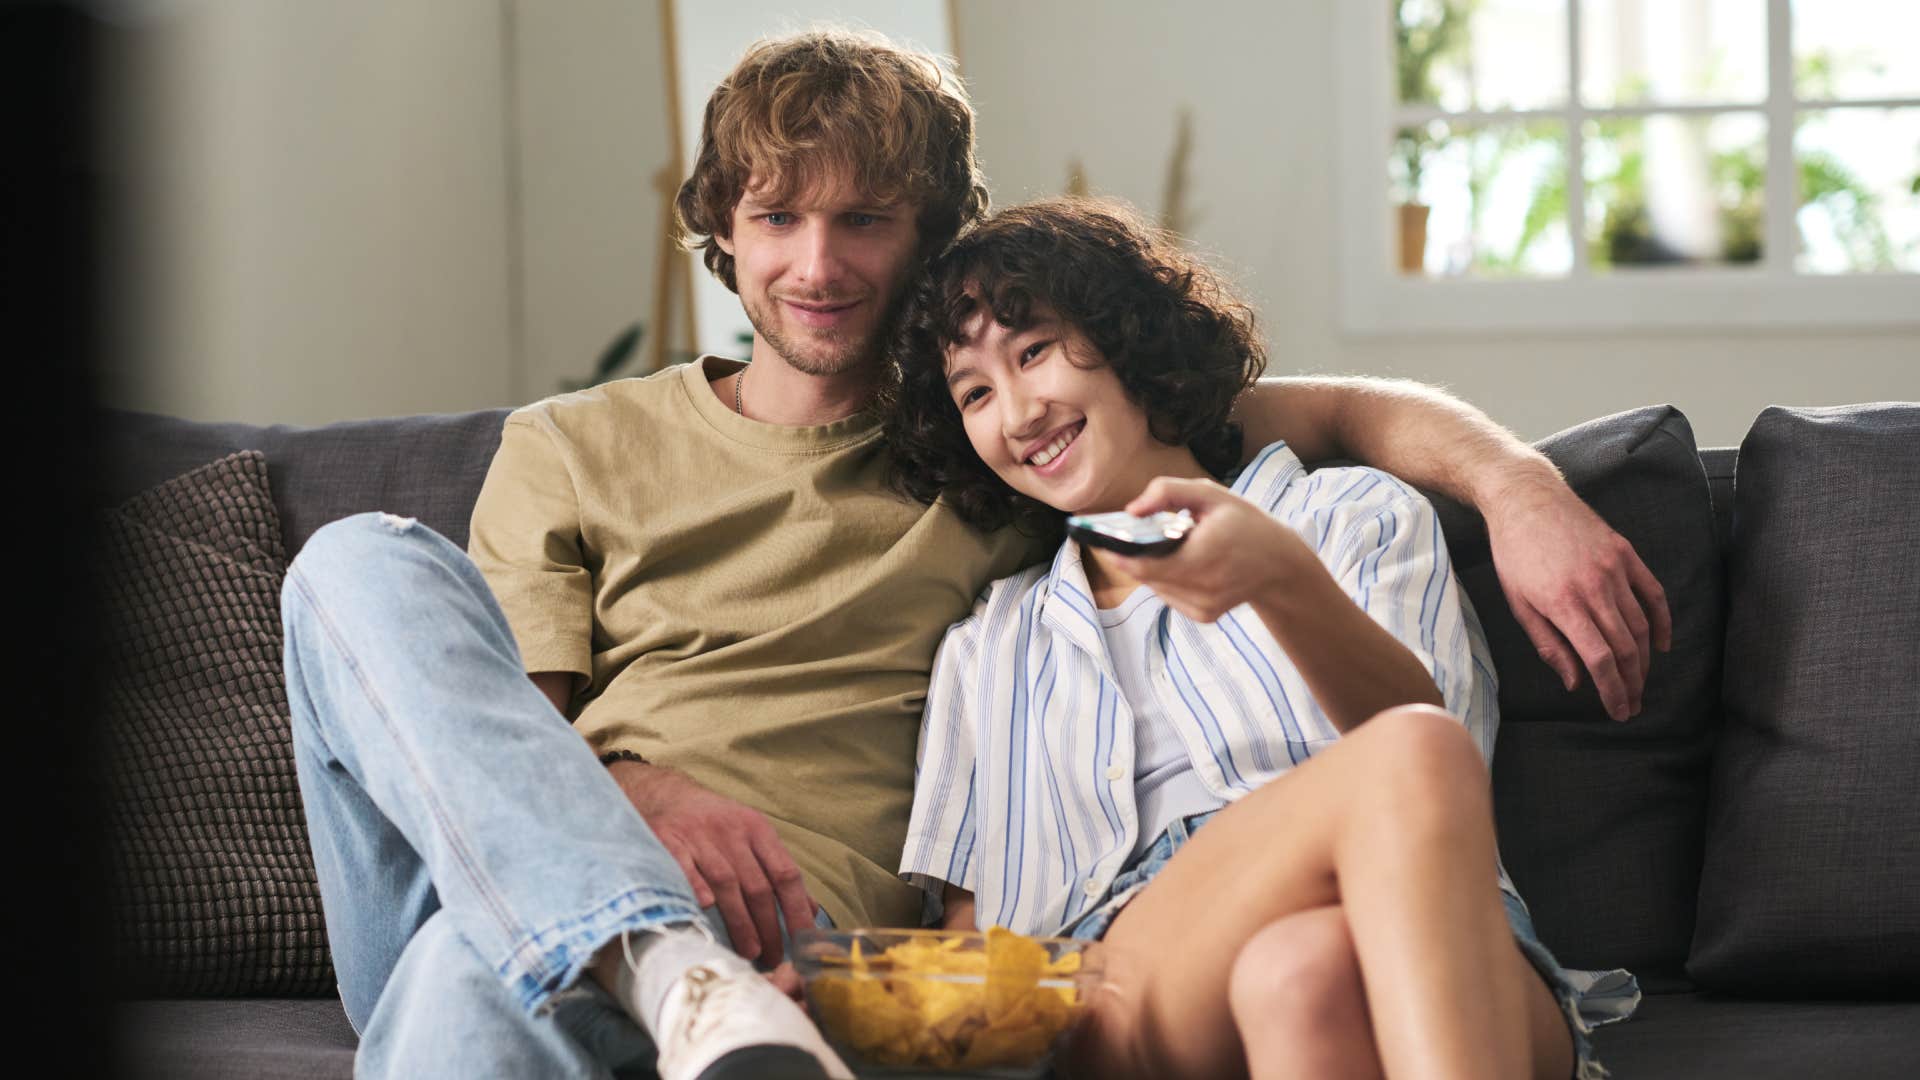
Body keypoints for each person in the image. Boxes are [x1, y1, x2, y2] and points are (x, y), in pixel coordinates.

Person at [282, 28, 1663, 1080]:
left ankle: (662, 973)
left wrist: (1516, 483)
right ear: (720, 229)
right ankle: (654, 958)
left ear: (931, 238)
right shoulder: (570, 446)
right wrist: (633, 791)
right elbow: (482, 737)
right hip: (544, 886)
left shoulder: (986, 472)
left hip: (785, 960)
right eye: (774, 215)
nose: (815, 262)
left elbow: (1264, 416)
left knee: (477, 974)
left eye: (864, 218)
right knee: (353, 563)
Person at [886, 197, 1640, 1080]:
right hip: (1114, 978)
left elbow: (1442, 792)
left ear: (1123, 335)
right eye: (975, 392)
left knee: (1302, 972)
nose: (1017, 412)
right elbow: (966, 935)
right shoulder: (990, 644)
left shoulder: (1351, 514)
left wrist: (1283, 578)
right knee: (1410, 749)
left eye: (1033, 351)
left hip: (1437, 949)